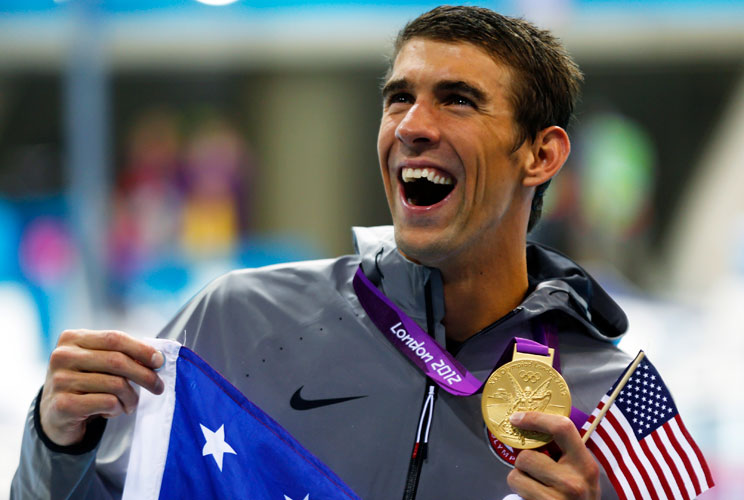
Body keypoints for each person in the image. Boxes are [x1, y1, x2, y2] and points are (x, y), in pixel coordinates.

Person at [12, 6, 633, 499]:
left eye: (458, 99)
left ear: (541, 154)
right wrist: (57, 442)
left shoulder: (610, 403)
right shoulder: (239, 320)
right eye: (398, 98)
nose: (412, 125)